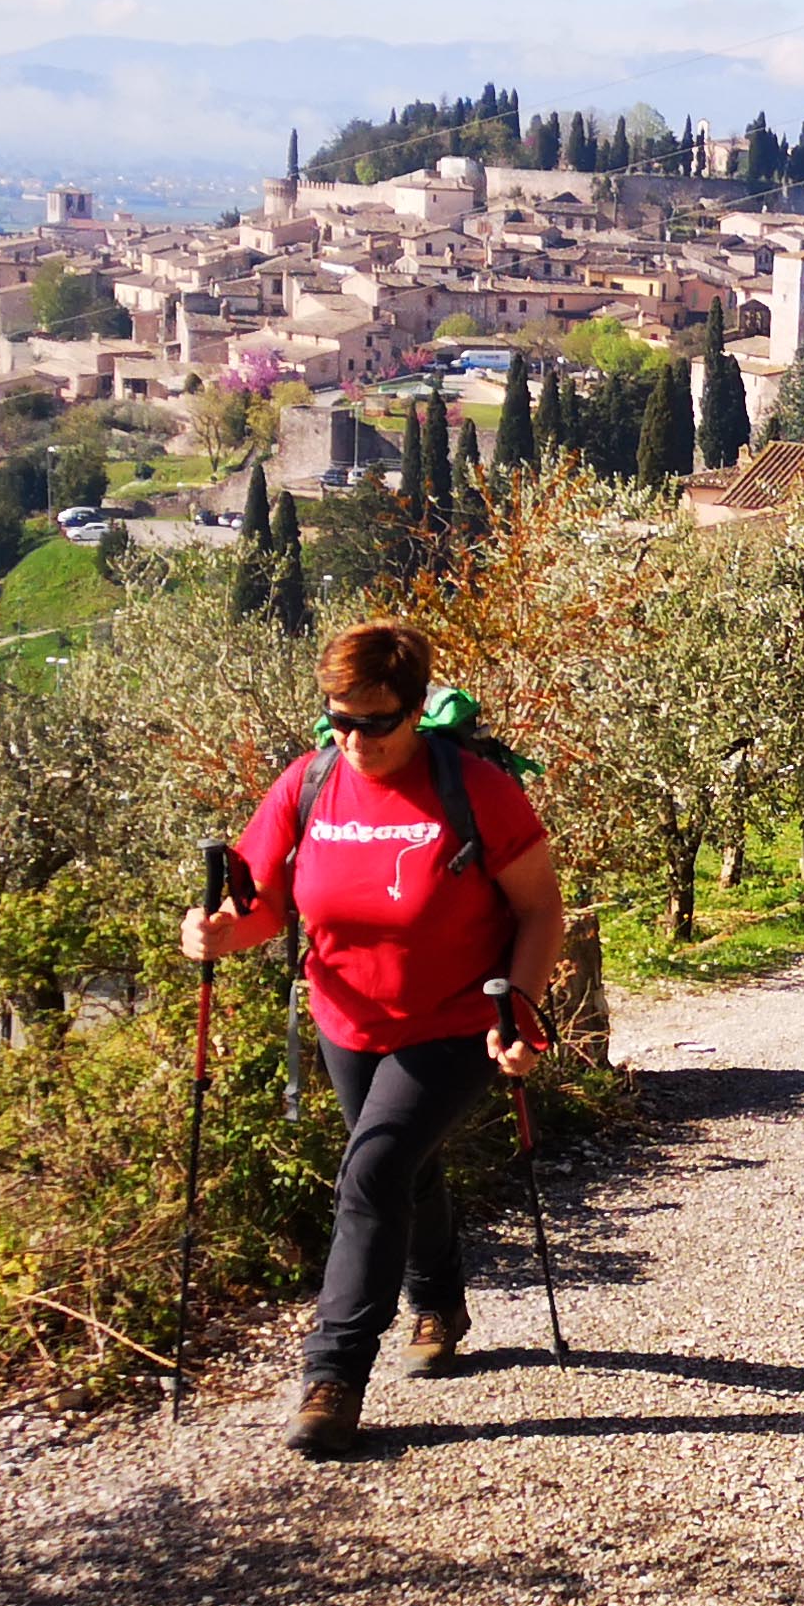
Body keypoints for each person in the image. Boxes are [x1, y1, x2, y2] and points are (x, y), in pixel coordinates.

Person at [181, 620, 568, 1459]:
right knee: (403, 1163)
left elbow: (540, 908)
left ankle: (334, 1374)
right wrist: (214, 933)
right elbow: (263, 908)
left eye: (376, 722)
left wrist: (523, 1010)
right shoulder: (309, 782)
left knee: (374, 1166)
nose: (353, 740)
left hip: (458, 1019)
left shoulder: (474, 790)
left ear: (415, 709)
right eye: (338, 719)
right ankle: (438, 1299)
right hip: (346, 1019)